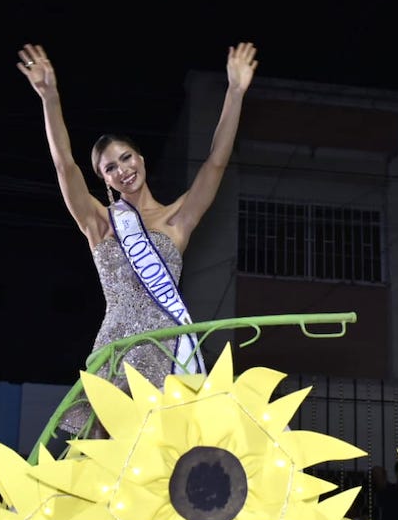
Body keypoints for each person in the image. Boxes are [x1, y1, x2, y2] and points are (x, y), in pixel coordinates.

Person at [18, 41, 258, 435]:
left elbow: (216, 162)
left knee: (162, 454)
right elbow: (65, 166)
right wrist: (49, 97)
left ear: (141, 159)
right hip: (114, 350)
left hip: (165, 352)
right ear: (105, 181)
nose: (122, 169)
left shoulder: (176, 220)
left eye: (126, 157)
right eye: (109, 167)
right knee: (101, 454)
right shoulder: (100, 223)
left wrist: (235, 92)